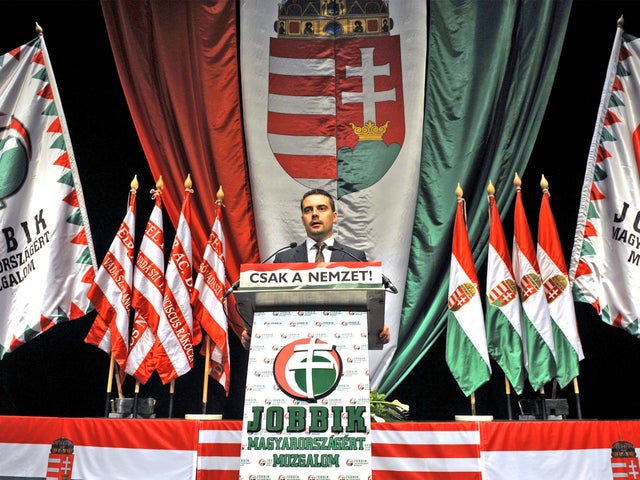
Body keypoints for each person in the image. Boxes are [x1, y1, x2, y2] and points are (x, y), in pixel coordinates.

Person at [241, 188, 391, 348]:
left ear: (334, 216)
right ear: (302, 219)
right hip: (294, 346)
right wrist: (255, 333)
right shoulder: (284, 259)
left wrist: (377, 329)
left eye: (321, 208)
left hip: (342, 346)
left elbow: (366, 306)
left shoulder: (354, 257)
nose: (314, 214)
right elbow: (273, 308)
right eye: (308, 210)